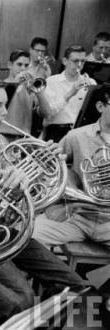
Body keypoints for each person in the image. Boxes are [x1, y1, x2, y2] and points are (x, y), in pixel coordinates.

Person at [0, 76, 85, 325]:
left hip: (12, 230)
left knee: (74, 285)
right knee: (23, 299)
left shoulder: (1, 141)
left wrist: (44, 161)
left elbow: (24, 195)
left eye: (5, 105)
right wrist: (9, 190)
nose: (4, 112)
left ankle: (41, 325)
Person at [34, 84, 110, 248]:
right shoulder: (77, 136)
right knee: (28, 234)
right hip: (77, 218)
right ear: (100, 107)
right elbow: (50, 167)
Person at [39, 45, 97, 142]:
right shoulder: (51, 81)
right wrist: (71, 93)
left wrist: (91, 89)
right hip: (57, 131)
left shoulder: (91, 82)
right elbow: (48, 114)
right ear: (65, 61)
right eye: (75, 61)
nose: (79, 65)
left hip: (81, 132)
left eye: (82, 61)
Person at [0, 49, 47, 140]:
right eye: (19, 64)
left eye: (26, 65)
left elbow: (46, 113)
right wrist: (15, 83)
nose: (23, 69)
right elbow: (0, 108)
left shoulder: (29, 88)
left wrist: (39, 91)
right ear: (9, 65)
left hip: (24, 137)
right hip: (3, 135)